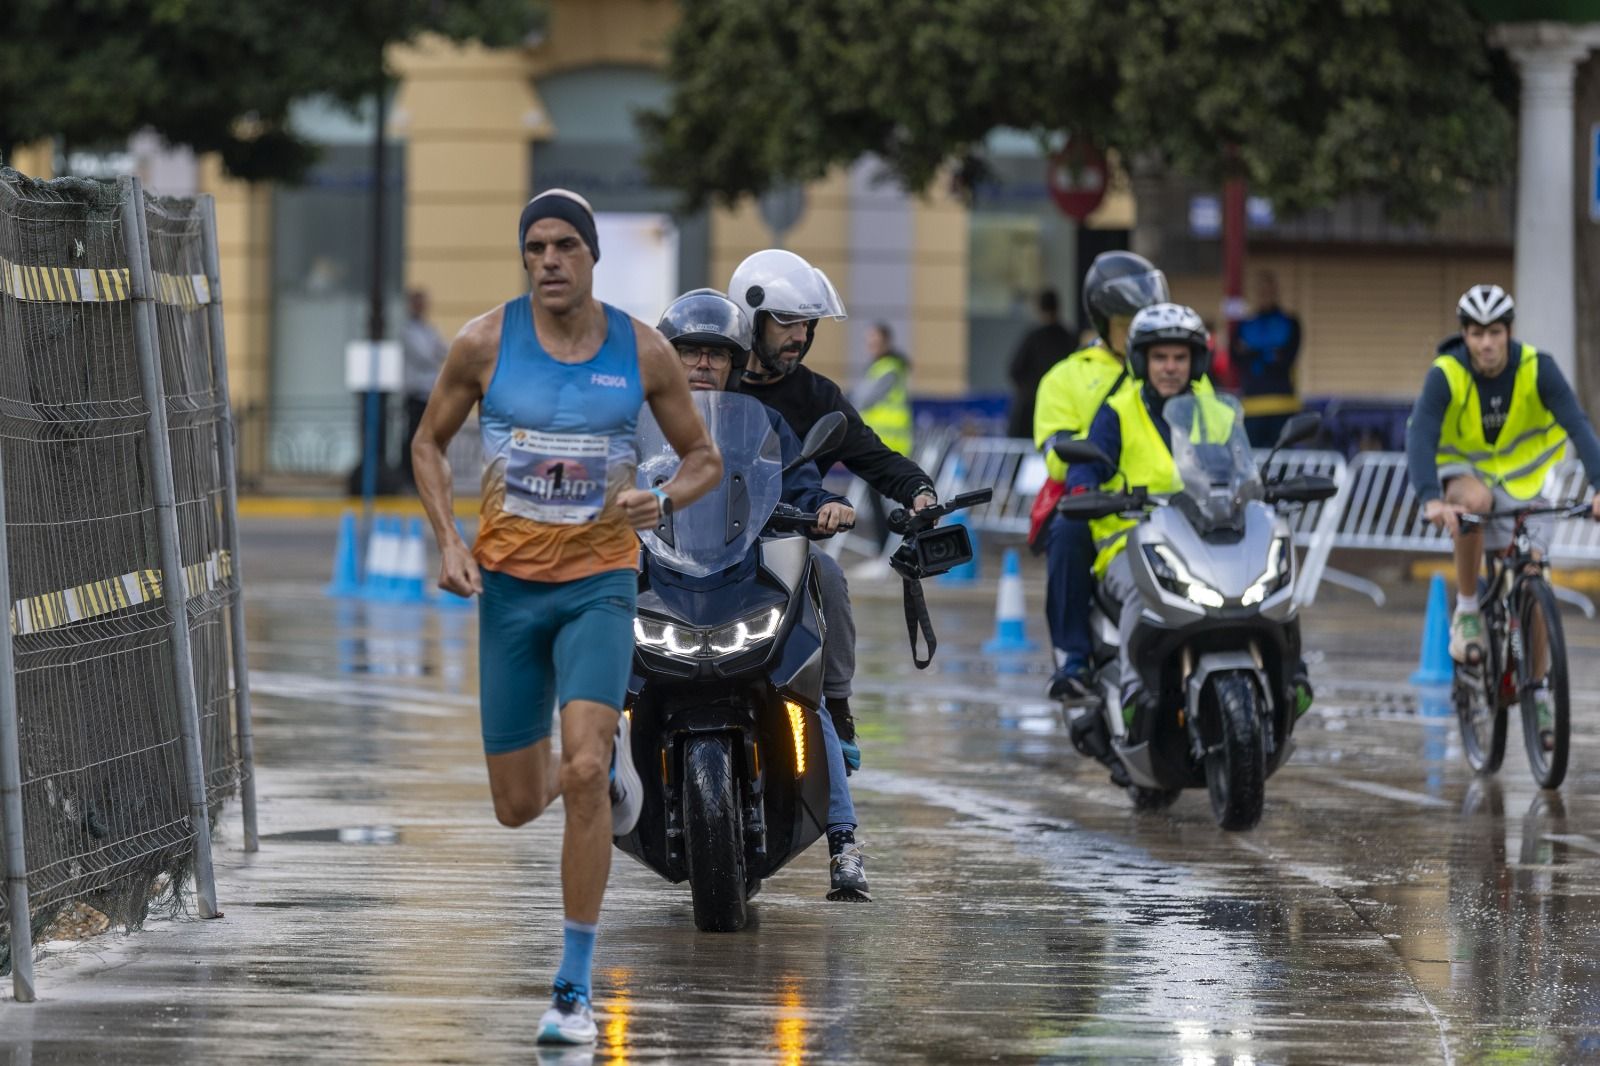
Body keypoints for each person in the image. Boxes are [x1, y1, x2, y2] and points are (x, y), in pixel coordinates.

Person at [410, 189, 723, 1047]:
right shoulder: (483, 343)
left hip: (600, 584)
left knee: (582, 772)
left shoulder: (642, 350)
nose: (548, 260)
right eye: (535, 247)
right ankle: (599, 774)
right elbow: (427, 445)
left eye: (564, 246)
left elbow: (704, 457)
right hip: (509, 590)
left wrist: (658, 496)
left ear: (591, 256)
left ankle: (572, 992)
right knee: (517, 805)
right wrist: (447, 540)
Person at [656, 288, 870, 901]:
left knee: (796, 675)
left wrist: (824, 506)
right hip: (666, 581)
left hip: (740, 579)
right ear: (668, 357)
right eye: (690, 353)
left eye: (715, 355)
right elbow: (609, 478)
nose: (702, 365)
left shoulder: (761, 425)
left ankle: (844, 841)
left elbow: (796, 480)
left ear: (733, 362)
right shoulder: (638, 425)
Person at [729, 249, 939, 768]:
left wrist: (918, 490)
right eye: (787, 323)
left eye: (808, 324)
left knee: (831, 576)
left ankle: (839, 707)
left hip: (782, 543)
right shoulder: (714, 382)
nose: (800, 335)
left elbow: (872, 455)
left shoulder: (818, 395)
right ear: (752, 320)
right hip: (700, 542)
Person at [1405, 285, 1600, 738]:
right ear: (1465, 336)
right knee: (1473, 505)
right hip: (1467, 475)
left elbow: (1578, 423)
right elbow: (1421, 436)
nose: (1486, 343)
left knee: (1533, 578)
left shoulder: (1537, 367)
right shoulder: (1446, 373)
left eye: (1495, 332)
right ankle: (1470, 609)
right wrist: (1432, 499)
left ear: (1509, 333)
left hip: (1526, 484)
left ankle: (1538, 693)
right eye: (1476, 334)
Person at [1031, 252, 1170, 700]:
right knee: (1068, 530)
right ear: (1103, 321)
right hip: (1102, 508)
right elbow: (1057, 454)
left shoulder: (1172, 369)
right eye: (1129, 322)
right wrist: (1094, 478)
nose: (1140, 333)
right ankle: (1073, 658)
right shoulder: (1065, 378)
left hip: (1172, 507)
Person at [851, 322, 912, 549]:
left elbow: (862, 399)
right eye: (869, 342)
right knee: (880, 501)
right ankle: (887, 547)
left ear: (886, 342)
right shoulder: (881, 367)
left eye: (875, 341)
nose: (871, 346)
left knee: (886, 502)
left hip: (888, 444)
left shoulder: (888, 369)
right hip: (879, 443)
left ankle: (888, 548)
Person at [1234, 270, 1303, 447]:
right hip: (1252, 407)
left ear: (1276, 291)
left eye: (1269, 289)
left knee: (1284, 466)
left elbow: (1286, 358)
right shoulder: (1245, 324)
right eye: (1260, 290)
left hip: (1283, 406)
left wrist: (1253, 350)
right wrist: (1270, 352)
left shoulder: (1290, 322)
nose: (1265, 294)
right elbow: (1237, 357)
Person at [1006, 289, 1075, 439]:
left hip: (1029, 413)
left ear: (1039, 308)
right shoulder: (1069, 338)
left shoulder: (1033, 337)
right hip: (1061, 411)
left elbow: (1014, 370)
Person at [400, 288, 449, 492]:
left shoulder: (429, 329)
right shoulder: (407, 330)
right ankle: (408, 479)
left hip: (430, 392)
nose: (421, 307)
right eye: (418, 303)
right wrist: (436, 354)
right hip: (415, 392)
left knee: (430, 438)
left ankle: (426, 477)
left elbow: (446, 350)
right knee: (413, 437)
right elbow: (426, 356)